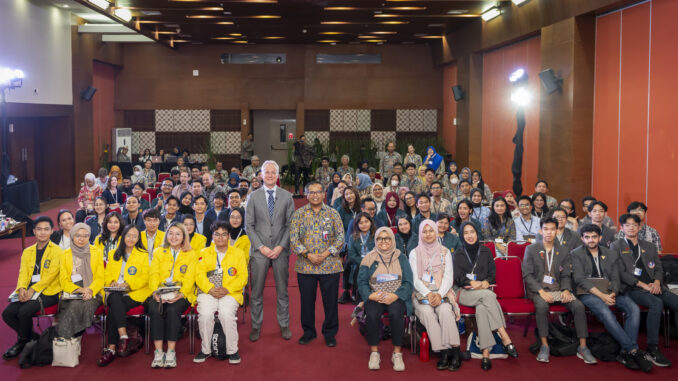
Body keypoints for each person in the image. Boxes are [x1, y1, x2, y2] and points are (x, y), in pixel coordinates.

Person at [571, 224, 651, 372]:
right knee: (606, 312)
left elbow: (615, 277)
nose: (591, 240)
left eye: (594, 236)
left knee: (633, 308)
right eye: (587, 237)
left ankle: (624, 353)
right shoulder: (576, 254)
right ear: (582, 238)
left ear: (600, 237)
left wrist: (612, 293)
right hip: (589, 293)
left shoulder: (611, 254)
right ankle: (633, 350)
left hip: (610, 292)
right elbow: (580, 279)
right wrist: (602, 296)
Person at [521, 218, 596, 364]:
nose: (549, 232)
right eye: (546, 229)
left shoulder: (563, 250)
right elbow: (527, 275)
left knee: (579, 306)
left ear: (557, 231)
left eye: (552, 229)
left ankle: (583, 347)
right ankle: (544, 345)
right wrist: (540, 292)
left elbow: (566, 274)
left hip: (559, 289)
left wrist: (567, 290)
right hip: (539, 290)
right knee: (542, 307)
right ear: (541, 230)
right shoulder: (531, 249)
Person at [611, 214, 677, 367]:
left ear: (640, 227)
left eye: (635, 225)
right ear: (622, 228)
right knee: (656, 303)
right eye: (627, 225)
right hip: (633, 288)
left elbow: (659, 268)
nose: (631, 227)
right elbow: (620, 273)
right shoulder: (616, 246)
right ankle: (652, 347)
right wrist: (642, 284)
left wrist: (656, 281)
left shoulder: (649, 246)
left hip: (654, 286)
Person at [453, 222, 518, 370]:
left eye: (472, 232)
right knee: (489, 297)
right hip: (463, 292)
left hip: (482, 293)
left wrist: (486, 282)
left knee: (482, 308)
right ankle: (504, 336)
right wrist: (471, 282)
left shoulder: (486, 251)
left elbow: (492, 275)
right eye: (466, 233)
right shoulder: (458, 253)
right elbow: (457, 277)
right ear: (462, 236)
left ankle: (485, 352)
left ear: (477, 233)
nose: (470, 235)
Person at [245, 160, 296, 342]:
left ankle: (284, 324)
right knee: (256, 291)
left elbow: (291, 225)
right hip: (260, 251)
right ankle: (256, 326)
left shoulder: (287, 196)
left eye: (273, 172)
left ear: (278, 175)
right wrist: (262, 247)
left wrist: (280, 246)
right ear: (261, 175)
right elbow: (249, 226)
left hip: (281, 250)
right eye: (266, 172)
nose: (270, 175)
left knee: (282, 291)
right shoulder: (253, 197)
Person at [289, 181, 345, 346]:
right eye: (311, 192)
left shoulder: (333, 213)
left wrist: (326, 253)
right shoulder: (298, 214)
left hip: (330, 265)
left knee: (330, 303)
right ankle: (308, 332)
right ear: (307, 195)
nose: (315, 195)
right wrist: (308, 255)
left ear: (323, 194)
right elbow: (293, 239)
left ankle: (329, 333)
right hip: (306, 266)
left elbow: (341, 237)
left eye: (318, 192)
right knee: (306, 302)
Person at [2, 217, 62, 359]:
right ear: (34, 231)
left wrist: (32, 290)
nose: (42, 233)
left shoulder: (58, 251)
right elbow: (23, 273)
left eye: (46, 229)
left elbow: (51, 276)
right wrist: (21, 288)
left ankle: (21, 342)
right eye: (39, 229)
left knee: (24, 311)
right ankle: (32, 337)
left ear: (51, 231)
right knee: (7, 314)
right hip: (29, 291)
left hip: (49, 291)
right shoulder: (28, 251)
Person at [357, 227, 413, 371]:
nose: (383, 241)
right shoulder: (368, 258)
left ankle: (397, 353)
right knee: (372, 315)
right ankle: (374, 352)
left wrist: (395, 295)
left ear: (392, 239)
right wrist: (370, 295)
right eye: (379, 238)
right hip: (375, 295)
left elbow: (408, 282)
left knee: (396, 314)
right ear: (375, 240)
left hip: (396, 295)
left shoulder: (402, 257)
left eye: (387, 238)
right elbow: (361, 282)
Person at [410, 220, 462, 371]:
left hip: (442, 291)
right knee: (426, 312)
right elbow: (414, 279)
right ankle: (444, 352)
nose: (428, 234)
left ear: (435, 231)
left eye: (431, 230)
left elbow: (448, 277)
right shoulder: (414, 253)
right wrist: (428, 294)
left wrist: (438, 294)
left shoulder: (444, 251)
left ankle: (456, 352)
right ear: (420, 233)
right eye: (424, 231)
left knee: (445, 311)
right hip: (421, 293)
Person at [193, 221, 248, 364]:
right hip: (208, 291)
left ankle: (232, 350)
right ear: (212, 236)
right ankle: (205, 350)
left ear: (229, 236)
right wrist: (210, 289)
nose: (220, 238)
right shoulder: (204, 253)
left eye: (224, 234)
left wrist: (227, 289)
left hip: (230, 292)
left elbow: (243, 276)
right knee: (205, 314)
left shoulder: (238, 253)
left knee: (226, 314)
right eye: (217, 234)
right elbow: (199, 275)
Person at [97, 225, 151, 366]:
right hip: (114, 291)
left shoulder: (143, 254)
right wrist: (113, 282)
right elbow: (106, 274)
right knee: (115, 298)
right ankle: (124, 336)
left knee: (115, 308)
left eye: (134, 236)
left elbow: (145, 278)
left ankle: (111, 348)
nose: (131, 238)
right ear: (123, 236)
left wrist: (128, 284)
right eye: (128, 235)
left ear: (138, 238)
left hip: (134, 292)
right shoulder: (113, 253)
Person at [148, 222, 196, 368]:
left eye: (178, 234)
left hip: (182, 294)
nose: (174, 237)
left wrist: (180, 294)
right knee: (155, 309)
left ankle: (170, 351)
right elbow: (153, 274)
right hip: (160, 292)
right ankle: (158, 351)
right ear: (166, 235)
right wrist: (156, 293)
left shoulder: (191, 253)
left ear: (184, 237)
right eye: (171, 233)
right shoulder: (158, 251)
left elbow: (190, 277)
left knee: (173, 310)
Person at [57, 223, 104, 341]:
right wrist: (80, 290)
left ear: (89, 237)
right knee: (74, 304)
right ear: (72, 236)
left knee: (86, 304)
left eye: (85, 236)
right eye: (78, 235)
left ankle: (69, 336)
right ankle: (71, 338)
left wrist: (90, 290)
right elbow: (63, 280)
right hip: (72, 291)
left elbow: (100, 277)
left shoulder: (96, 251)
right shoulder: (65, 254)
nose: (81, 239)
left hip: (93, 291)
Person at [346, 212, 376, 302]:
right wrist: (364, 261)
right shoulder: (353, 237)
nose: (364, 225)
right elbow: (352, 255)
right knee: (359, 269)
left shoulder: (376, 235)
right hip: (359, 261)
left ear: (371, 222)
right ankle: (358, 295)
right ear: (357, 224)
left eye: (366, 221)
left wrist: (371, 261)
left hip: (374, 261)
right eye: (361, 223)